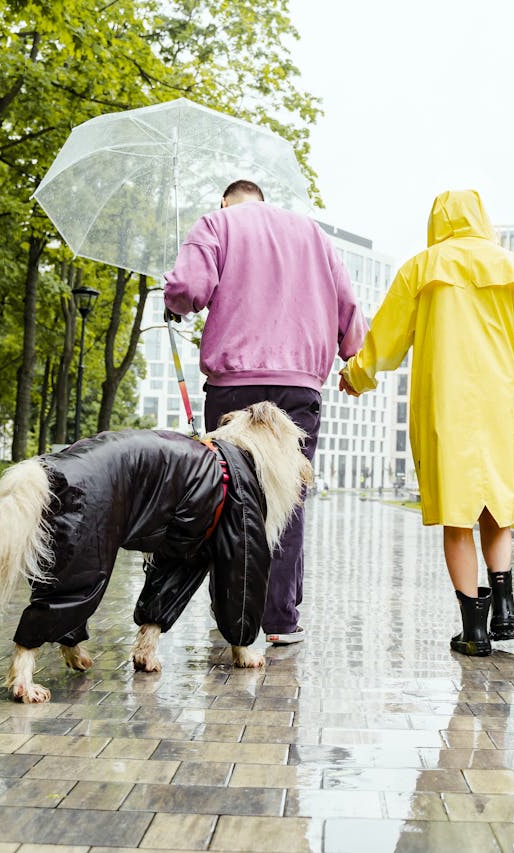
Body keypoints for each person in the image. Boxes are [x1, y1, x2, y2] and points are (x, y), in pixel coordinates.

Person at [338, 189, 514, 656]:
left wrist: (357, 375)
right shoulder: (510, 267)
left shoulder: (421, 268)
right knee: (497, 509)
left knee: (457, 517)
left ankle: (474, 631)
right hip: (502, 405)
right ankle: (505, 608)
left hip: (446, 405)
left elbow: (386, 338)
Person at [164, 179, 366, 645]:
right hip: (299, 386)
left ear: (225, 201)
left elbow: (188, 290)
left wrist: (173, 300)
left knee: (227, 497)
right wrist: (352, 357)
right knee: (287, 498)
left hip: (235, 387)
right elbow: (348, 307)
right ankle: (279, 620)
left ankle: (234, 617)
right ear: (261, 198)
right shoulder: (313, 234)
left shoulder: (216, 224)